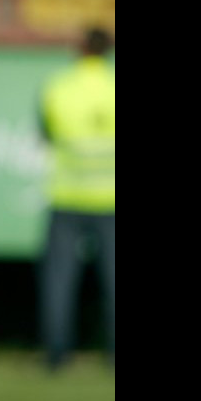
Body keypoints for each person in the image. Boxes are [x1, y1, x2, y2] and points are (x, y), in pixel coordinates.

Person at [37, 26, 115, 371]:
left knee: (59, 280)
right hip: (110, 199)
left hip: (67, 194)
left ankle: (57, 355)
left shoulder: (60, 85)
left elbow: (46, 132)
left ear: (80, 47)